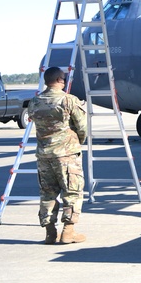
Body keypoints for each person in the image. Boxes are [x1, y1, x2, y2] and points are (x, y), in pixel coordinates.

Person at [27, 66, 87, 245]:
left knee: (47, 194)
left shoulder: (34, 101)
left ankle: (50, 232)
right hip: (66, 155)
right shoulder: (68, 100)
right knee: (72, 192)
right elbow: (82, 127)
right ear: (61, 80)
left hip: (44, 156)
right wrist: (76, 143)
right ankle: (68, 231)